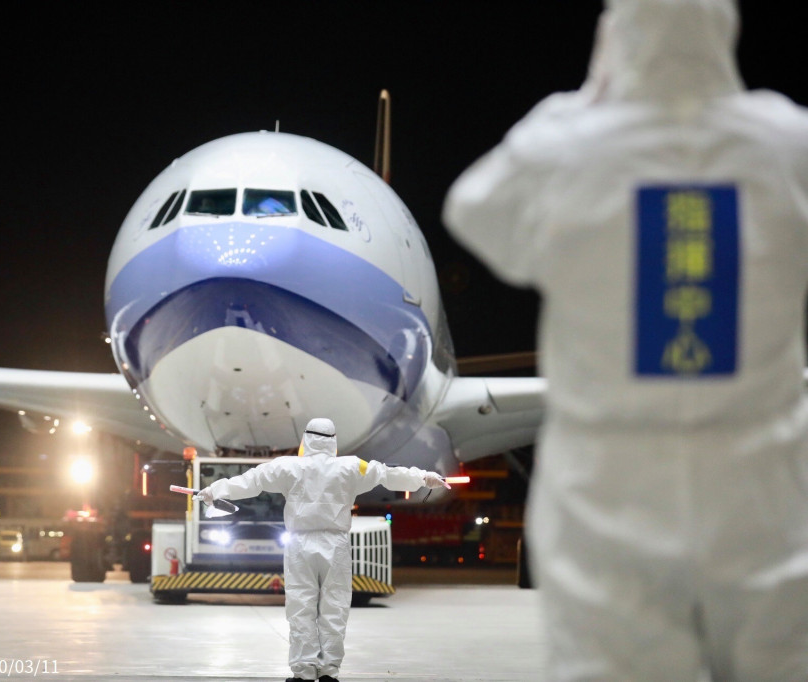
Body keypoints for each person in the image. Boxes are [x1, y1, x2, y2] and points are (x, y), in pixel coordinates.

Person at [442, 1, 808, 679]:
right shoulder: (785, 142)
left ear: (617, 33)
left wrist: (580, 106)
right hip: (760, 484)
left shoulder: (570, 147)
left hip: (611, 488)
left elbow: (475, 210)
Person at [197, 418, 449, 682]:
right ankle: (329, 670)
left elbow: (251, 480)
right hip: (336, 544)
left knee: (300, 606)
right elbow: (386, 474)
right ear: (334, 441)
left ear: (305, 439)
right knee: (335, 607)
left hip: (298, 544)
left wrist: (213, 490)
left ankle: (304, 670)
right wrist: (423, 478)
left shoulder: (288, 466)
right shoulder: (352, 466)